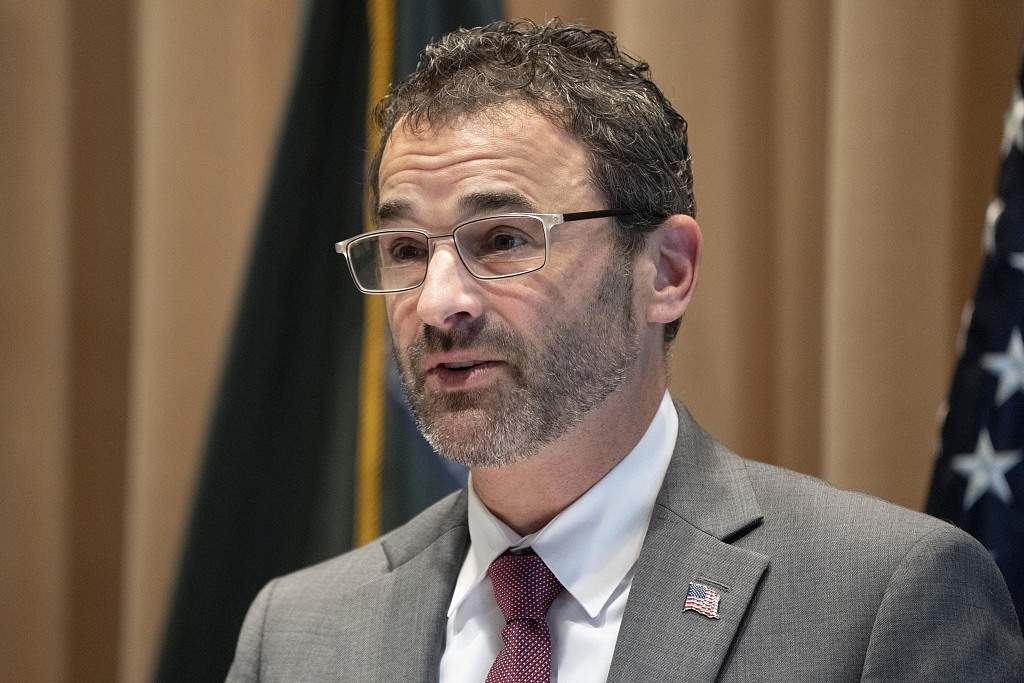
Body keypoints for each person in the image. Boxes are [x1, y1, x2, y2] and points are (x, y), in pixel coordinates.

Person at [227, 19, 1023, 681]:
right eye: (406, 250)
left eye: (502, 240)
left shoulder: (882, 600)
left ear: (666, 271)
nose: (437, 304)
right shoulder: (296, 634)